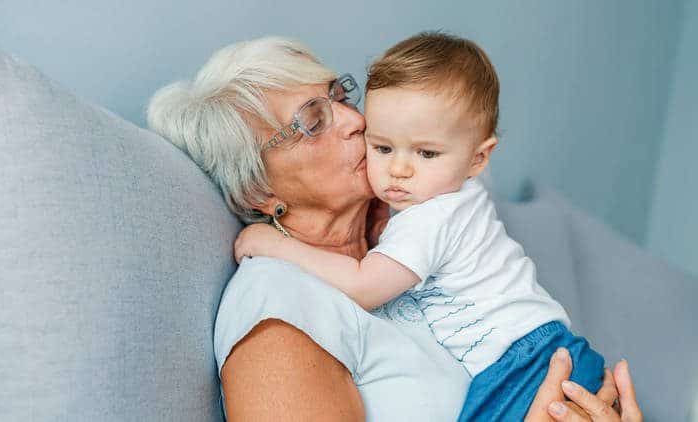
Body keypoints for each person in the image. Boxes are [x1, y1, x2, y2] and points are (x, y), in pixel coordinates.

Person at [147, 35, 642, 421]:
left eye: (339, 95)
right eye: (313, 121)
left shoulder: (409, 240)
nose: (353, 120)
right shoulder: (279, 306)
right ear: (260, 192)